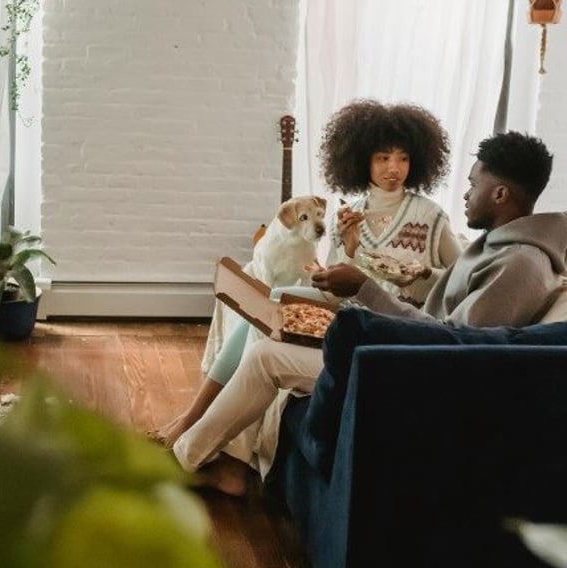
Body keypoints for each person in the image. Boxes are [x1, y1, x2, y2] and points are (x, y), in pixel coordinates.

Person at [172, 130, 567, 496]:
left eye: (472, 184)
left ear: (499, 194)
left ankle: (187, 459)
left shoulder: (519, 265)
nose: (465, 194)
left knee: (265, 356)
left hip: (402, 368)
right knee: (272, 321)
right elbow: (442, 318)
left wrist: (364, 290)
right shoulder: (500, 248)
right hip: (395, 342)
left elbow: (456, 349)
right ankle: (203, 456)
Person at [152, 99, 463, 451]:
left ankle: (197, 427)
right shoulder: (348, 213)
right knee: (263, 306)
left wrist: (422, 274)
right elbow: (329, 281)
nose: (394, 168)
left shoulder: (431, 216)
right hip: (347, 314)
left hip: (392, 325)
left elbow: (461, 277)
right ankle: (196, 419)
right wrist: (348, 247)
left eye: (403, 158)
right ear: (362, 159)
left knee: (265, 318)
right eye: (383, 157)